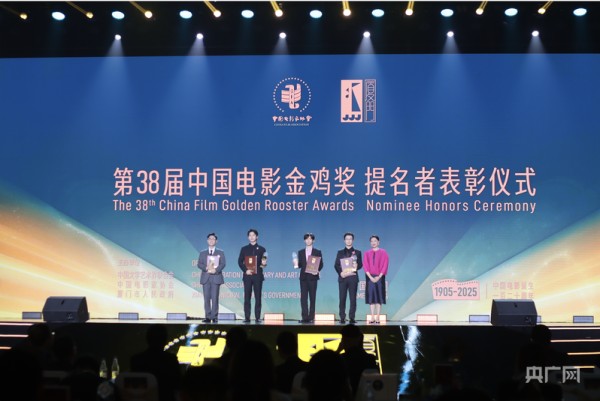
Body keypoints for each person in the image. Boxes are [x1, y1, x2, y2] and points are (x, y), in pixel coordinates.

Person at [130, 324, 181, 401]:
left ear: (147, 339)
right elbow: (178, 385)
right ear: (165, 340)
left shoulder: (136, 360)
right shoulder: (171, 360)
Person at [336, 324, 378, 396]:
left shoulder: (341, 359)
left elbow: (327, 367)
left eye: (344, 339)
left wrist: (337, 351)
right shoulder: (370, 359)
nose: (343, 342)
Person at [238, 228, 267, 323]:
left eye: (253, 235)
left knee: (258, 297)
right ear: (248, 237)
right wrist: (245, 270)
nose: (251, 237)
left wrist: (264, 263)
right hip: (247, 276)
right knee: (247, 297)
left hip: (258, 276)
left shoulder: (262, 249)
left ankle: (258, 317)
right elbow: (240, 262)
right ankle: (247, 317)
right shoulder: (244, 249)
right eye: (250, 235)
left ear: (257, 237)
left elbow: (263, 265)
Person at [197, 232, 226, 323]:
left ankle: (214, 317)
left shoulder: (220, 252)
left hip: (216, 277)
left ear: (216, 241)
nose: (211, 240)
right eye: (210, 239)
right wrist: (206, 268)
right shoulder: (202, 253)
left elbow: (223, 264)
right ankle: (208, 316)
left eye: (213, 239)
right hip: (206, 278)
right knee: (206, 298)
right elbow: (199, 264)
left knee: (215, 298)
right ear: (207, 240)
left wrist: (215, 270)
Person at [334, 232, 363, 324]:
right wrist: (340, 273)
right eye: (347, 239)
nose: (348, 240)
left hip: (353, 278)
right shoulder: (340, 252)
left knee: (353, 299)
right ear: (344, 240)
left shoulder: (357, 252)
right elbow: (336, 265)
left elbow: (361, 264)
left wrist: (357, 266)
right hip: (343, 278)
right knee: (342, 298)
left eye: (350, 239)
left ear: (353, 240)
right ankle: (342, 317)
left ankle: (352, 318)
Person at [296, 233, 323, 324]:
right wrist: (296, 263)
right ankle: (304, 317)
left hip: (313, 277)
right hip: (303, 278)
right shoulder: (300, 252)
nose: (308, 240)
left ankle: (311, 317)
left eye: (310, 239)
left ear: (313, 240)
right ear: (304, 240)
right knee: (303, 298)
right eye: (306, 239)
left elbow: (321, 264)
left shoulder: (317, 251)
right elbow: (300, 265)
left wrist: (317, 270)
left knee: (312, 297)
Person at [363, 235, 388, 324]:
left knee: (379, 297)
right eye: (372, 241)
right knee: (371, 297)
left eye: (375, 241)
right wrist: (370, 277)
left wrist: (379, 276)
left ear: (378, 242)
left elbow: (385, 264)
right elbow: (365, 265)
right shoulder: (367, 253)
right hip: (369, 277)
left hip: (380, 277)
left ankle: (378, 317)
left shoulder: (383, 252)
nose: (373, 242)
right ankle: (372, 317)